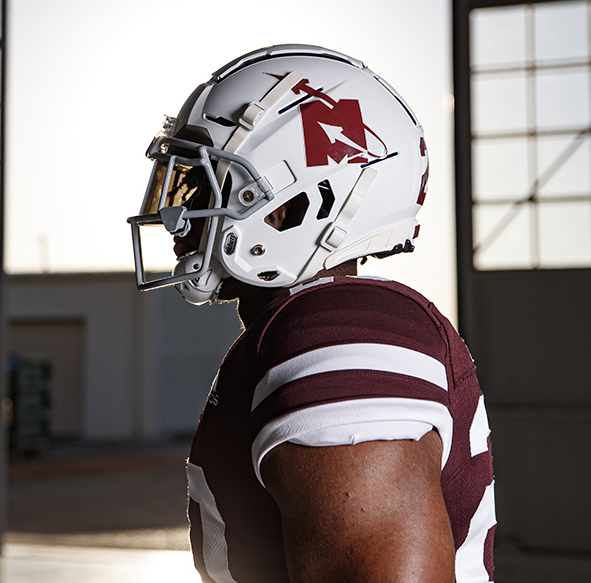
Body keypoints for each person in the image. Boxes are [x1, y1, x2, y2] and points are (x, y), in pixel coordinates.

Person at [127, 45, 496, 583]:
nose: (179, 215)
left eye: (208, 182)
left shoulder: (339, 330)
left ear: (300, 200)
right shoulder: (307, 327)